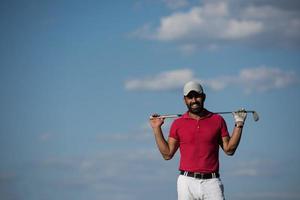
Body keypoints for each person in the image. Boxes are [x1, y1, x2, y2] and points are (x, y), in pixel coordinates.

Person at [149, 81, 247, 200]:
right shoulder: (178, 123)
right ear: (184, 100)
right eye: (190, 97)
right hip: (186, 182)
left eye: (197, 96)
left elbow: (229, 150)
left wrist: (239, 124)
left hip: (212, 182)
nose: (194, 100)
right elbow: (167, 154)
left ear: (204, 97)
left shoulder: (217, 120)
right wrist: (156, 128)